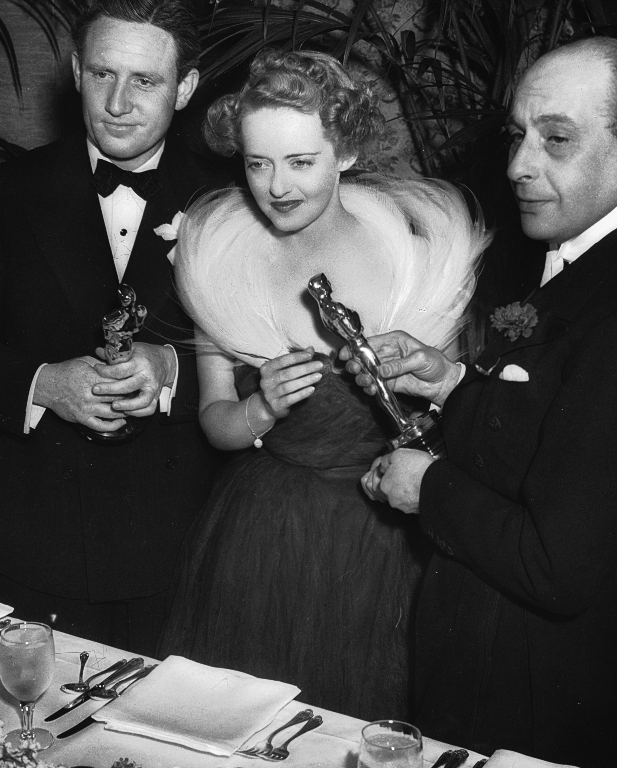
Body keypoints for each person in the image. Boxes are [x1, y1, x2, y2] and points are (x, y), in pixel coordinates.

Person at [349, 37, 617, 765]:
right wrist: (452, 382)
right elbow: (556, 428)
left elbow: (558, 563)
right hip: (493, 669)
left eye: (556, 140)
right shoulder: (588, 257)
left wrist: (429, 487)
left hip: (537, 697)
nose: (519, 165)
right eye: (519, 136)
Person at [158, 49, 488, 720]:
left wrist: (416, 379)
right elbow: (215, 422)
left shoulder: (414, 259)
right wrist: (259, 407)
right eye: (257, 164)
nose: (276, 186)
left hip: (383, 538)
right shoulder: (224, 257)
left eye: (300, 162)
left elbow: (456, 418)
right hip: (261, 536)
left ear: (343, 154)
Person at [0, 0, 228, 657]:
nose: (117, 102)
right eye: (103, 74)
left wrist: (170, 370)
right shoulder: (6, 193)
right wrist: (44, 383)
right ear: (77, 71)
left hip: (186, 542)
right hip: (44, 541)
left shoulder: (226, 201)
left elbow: (270, 358)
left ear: (185, 88)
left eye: (145, 81)